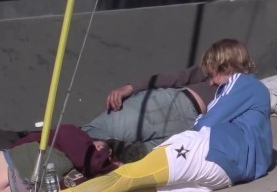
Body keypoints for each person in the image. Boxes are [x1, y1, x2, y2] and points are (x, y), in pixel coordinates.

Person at [1, 38, 273, 192]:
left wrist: (181, 141)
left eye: (213, 74)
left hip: (208, 149)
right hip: (229, 174)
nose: (210, 81)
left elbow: (209, 121)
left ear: (224, 67)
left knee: (129, 177)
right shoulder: (258, 110)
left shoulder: (242, 83)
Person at [81, 65, 216, 160]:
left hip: (189, 129)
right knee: (92, 138)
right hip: (178, 110)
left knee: (114, 158)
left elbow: (181, 76)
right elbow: (181, 76)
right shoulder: (228, 63)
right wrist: (131, 87)